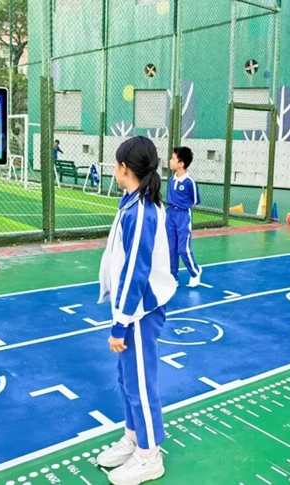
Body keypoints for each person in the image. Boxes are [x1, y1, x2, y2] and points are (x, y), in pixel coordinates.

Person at [96, 136, 176, 485]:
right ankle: (133, 438)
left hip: (140, 313)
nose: (114, 170)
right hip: (131, 311)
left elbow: (135, 272)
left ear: (124, 168)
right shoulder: (131, 202)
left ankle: (149, 455)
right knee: (127, 378)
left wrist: (121, 323)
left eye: (115, 165)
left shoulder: (142, 210)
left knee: (141, 383)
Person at [166, 146, 203, 287]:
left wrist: (182, 207)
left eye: (173, 159)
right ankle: (173, 277)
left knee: (183, 249)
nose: (170, 161)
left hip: (183, 216)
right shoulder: (171, 180)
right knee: (171, 248)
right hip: (170, 215)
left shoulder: (189, 182)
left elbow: (195, 201)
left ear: (181, 164)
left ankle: (195, 272)